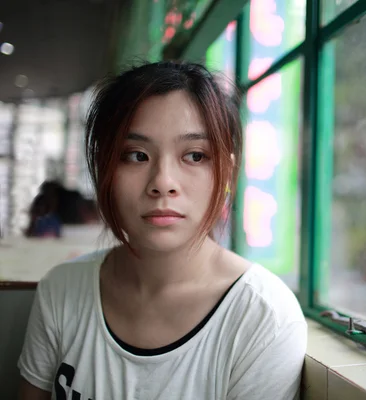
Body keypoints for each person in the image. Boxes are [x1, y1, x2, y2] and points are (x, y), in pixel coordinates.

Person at [17, 61, 307, 400]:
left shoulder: (262, 319)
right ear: (103, 168)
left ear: (227, 171)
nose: (163, 183)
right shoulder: (62, 291)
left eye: (195, 156)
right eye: (137, 155)